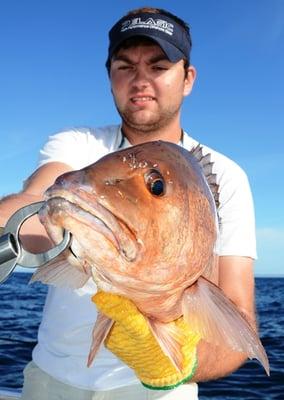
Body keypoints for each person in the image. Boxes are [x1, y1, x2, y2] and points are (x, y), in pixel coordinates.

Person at [0, 6, 258, 400]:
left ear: (187, 78)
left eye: (158, 66)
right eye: (125, 66)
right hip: (50, 382)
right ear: (109, 77)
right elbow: (36, 201)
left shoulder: (228, 177)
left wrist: (178, 363)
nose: (140, 81)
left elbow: (240, 326)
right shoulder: (78, 145)